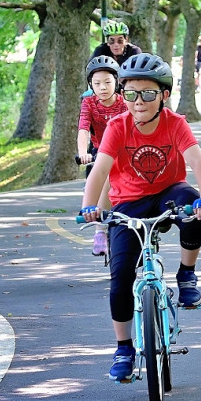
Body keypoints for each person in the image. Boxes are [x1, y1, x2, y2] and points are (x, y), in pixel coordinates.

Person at [79, 53, 201, 382]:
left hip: (170, 193)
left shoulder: (175, 123)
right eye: (131, 93)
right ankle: (124, 349)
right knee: (121, 277)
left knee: (193, 205)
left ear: (164, 96)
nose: (138, 101)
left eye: (148, 94)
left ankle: (187, 274)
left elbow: (197, 162)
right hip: (129, 203)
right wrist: (89, 207)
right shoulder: (117, 127)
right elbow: (99, 172)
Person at [76, 56, 125, 256]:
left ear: (117, 83)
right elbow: (83, 129)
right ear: (91, 85)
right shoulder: (89, 103)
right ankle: (100, 231)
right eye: (97, 83)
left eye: (107, 82)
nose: (102, 87)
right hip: (101, 151)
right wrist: (83, 153)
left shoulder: (124, 103)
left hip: (125, 149)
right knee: (101, 180)